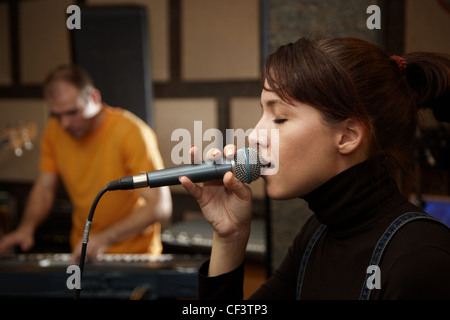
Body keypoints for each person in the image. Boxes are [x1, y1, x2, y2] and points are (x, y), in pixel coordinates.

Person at [179, 37, 450, 299]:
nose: (255, 135)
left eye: (280, 118)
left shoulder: (421, 257)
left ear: (347, 136)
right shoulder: (317, 233)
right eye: (263, 112)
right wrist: (230, 237)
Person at [0, 65, 172, 262]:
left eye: (72, 112)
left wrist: (106, 238)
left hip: (135, 256)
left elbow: (160, 206)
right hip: (83, 254)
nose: (64, 123)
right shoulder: (54, 131)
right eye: (57, 115)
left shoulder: (132, 133)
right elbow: (44, 188)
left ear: (94, 98)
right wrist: (26, 228)